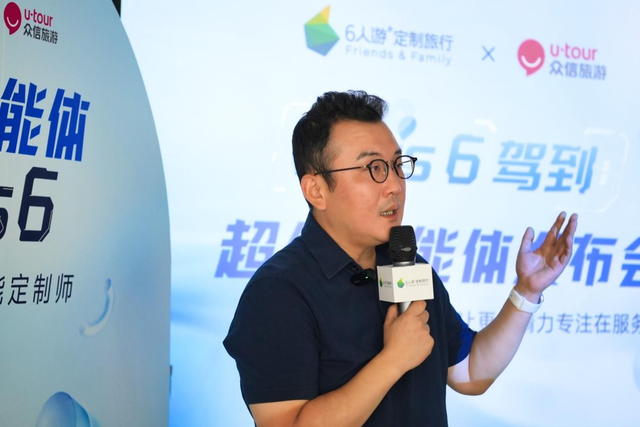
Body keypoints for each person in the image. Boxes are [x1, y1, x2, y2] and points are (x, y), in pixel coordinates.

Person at [224, 90, 578, 427]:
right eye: (373, 168)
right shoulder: (279, 291)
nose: (394, 185)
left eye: (397, 165)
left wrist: (526, 292)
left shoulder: (407, 266)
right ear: (316, 190)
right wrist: (393, 360)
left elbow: (470, 372)